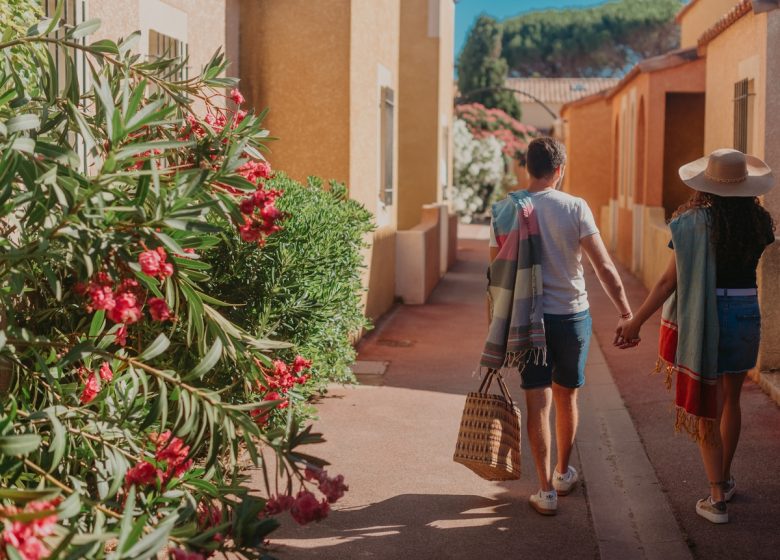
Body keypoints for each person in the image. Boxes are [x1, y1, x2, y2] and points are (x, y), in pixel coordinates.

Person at [616, 148, 775, 524]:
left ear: (707, 184)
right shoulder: (759, 223)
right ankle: (725, 478)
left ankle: (716, 496)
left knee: (708, 402)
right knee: (732, 400)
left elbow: (667, 281)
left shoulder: (691, 224)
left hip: (708, 316)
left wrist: (636, 321)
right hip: (746, 312)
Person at [484, 137, 633, 516]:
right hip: (571, 317)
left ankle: (545, 490)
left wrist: (495, 327)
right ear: (560, 170)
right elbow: (603, 267)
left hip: (527, 320)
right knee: (568, 396)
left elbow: (496, 275)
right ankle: (564, 472)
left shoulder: (505, 210)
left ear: (527, 168)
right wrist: (626, 312)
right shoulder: (575, 207)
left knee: (537, 400)